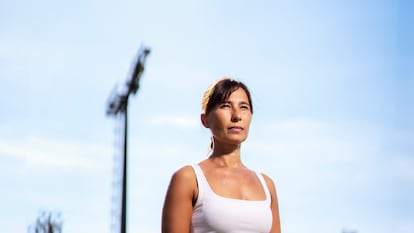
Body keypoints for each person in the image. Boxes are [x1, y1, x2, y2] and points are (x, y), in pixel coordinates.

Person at [161, 77, 281, 233]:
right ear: (205, 120)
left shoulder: (267, 185)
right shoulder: (188, 178)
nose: (236, 115)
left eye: (243, 107)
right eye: (225, 106)